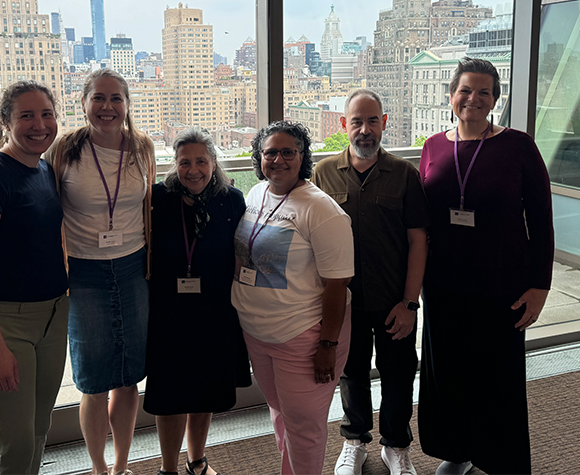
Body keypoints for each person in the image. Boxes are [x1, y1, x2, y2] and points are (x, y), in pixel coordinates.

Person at [417, 57, 554, 475]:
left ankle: (499, 461)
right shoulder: (433, 146)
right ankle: (456, 451)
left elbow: (542, 219)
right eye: (465, 90)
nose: (473, 99)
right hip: (443, 285)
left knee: (498, 378)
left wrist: (540, 285)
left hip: (502, 285)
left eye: (483, 92)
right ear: (451, 95)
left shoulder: (517, 145)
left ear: (495, 99)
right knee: (449, 372)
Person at [313, 89, 430, 475]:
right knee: (351, 372)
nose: (365, 130)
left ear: (384, 122)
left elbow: (418, 241)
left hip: (394, 299)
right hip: (345, 301)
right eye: (357, 121)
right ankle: (355, 440)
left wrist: (410, 303)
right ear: (345, 125)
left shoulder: (404, 174)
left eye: (373, 120)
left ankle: (396, 445)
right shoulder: (323, 173)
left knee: (398, 373)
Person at [0, 80, 69, 475]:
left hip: (52, 317)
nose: (39, 125)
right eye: (26, 116)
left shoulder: (44, 169)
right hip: (4, 324)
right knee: (13, 443)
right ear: (5, 122)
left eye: (46, 114)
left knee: (37, 430)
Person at [46, 68, 156, 475]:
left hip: (132, 269)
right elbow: (37, 190)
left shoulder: (142, 148)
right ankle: (97, 467)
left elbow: (150, 204)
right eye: (99, 98)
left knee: (128, 378)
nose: (107, 107)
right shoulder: (63, 150)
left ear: (127, 105)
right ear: (84, 102)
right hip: (84, 273)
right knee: (92, 381)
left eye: (116, 99)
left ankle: (122, 465)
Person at [231, 121, 354, 475]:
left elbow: (337, 284)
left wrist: (328, 344)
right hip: (257, 332)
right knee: (280, 413)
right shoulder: (256, 194)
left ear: (303, 157)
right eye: (271, 152)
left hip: (303, 336)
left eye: (289, 152)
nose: (279, 159)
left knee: (304, 428)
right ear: (259, 157)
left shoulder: (321, 209)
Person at [143, 127, 251, 475]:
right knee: (170, 394)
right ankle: (168, 468)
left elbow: (241, 253)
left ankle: (197, 460)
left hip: (216, 311)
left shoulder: (231, 199)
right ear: (173, 164)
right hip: (168, 312)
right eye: (185, 162)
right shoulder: (157, 199)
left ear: (214, 162)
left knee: (204, 391)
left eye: (201, 161)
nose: (194, 170)